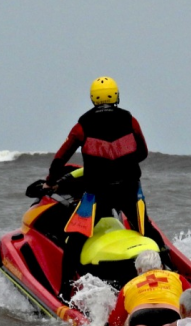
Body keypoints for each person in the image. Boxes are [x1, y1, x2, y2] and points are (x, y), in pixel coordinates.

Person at [45, 77, 167, 300]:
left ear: (93, 98)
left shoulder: (83, 125)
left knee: (74, 239)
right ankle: (170, 272)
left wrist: (51, 180)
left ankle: (64, 292)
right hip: (129, 190)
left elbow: (60, 158)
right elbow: (143, 153)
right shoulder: (130, 120)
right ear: (115, 96)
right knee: (146, 229)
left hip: (97, 194)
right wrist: (122, 161)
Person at [107, 250, 191, 326]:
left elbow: (116, 321)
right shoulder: (176, 277)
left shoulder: (128, 286)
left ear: (138, 270)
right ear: (161, 266)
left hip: (141, 315)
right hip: (169, 313)